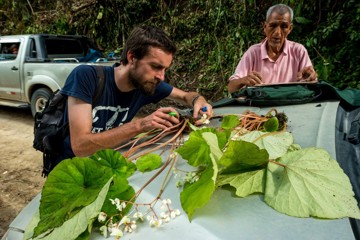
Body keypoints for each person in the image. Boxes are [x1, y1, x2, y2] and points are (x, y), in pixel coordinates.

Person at [58, 25, 213, 164]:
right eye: (155, 66)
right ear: (132, 58)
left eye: (165, 69)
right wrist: (141, 125)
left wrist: (199, 101)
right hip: (72, 171)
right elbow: (80, 147)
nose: (161, 76)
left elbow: (187, 96)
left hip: (106, 164)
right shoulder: (87, 77)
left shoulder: (146, 83)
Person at [228, 4, 318, 94]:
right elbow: (231, 88)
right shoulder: (253, 53)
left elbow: (311, 85)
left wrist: (311, 78)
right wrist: (243, 80)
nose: (277, 33)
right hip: (260, 107)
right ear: (265, 27)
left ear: (290, 29)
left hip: (291, 105)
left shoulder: (298, 51)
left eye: (284, 26)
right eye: (273, 25)